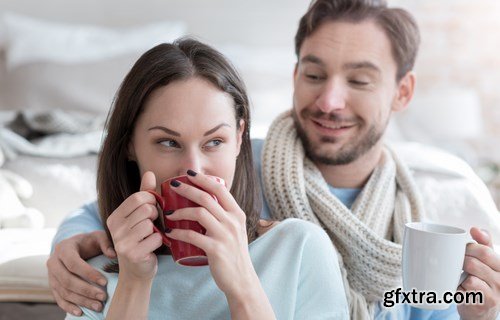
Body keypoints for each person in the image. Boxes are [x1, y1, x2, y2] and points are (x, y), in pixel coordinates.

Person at [48, 0, 500, 319]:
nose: (330, 101)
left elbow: (433, 309)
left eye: (359, 81)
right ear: (295, 74)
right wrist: (67, 244)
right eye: (315, 74)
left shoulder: (425, 214)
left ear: (402, 93)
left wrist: (478, 315)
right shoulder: (240, 164)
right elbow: (105, 212)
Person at [55, 38, 348, 319]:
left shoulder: (299, 249)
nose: (193, 169)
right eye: (168, 142)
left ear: (238, 137)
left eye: (214, 141)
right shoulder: (93, 276)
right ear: (130, 144)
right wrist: (133, 283)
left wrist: (243, 285)